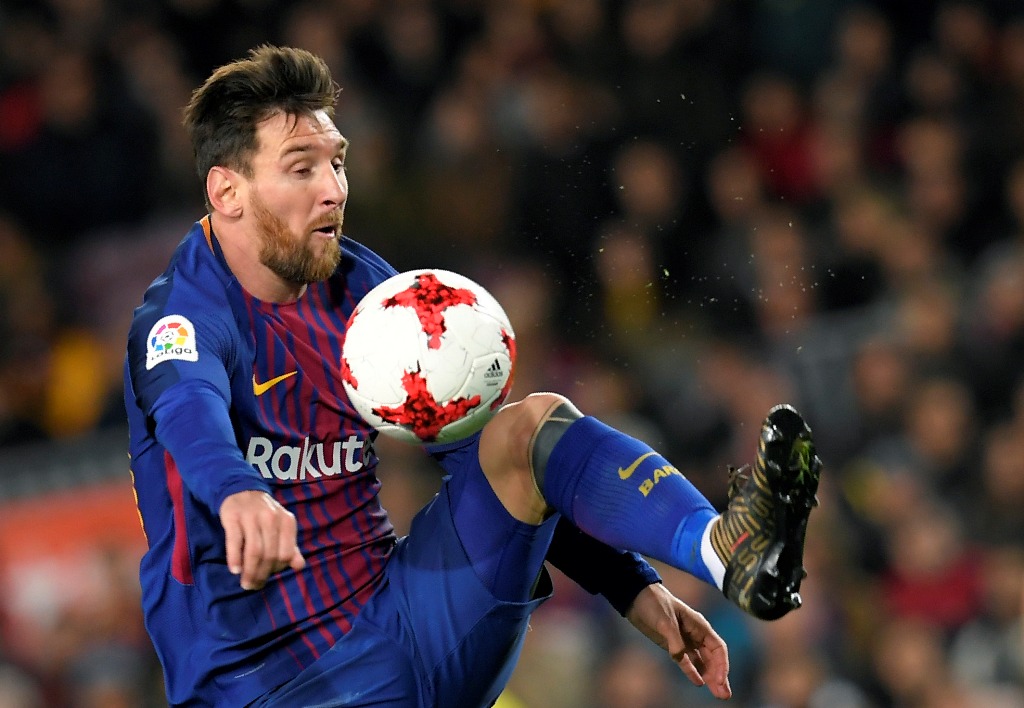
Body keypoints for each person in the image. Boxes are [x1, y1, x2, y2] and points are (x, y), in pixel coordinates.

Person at [123, 45, 822, 707]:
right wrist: (240, 492)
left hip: (413, 621)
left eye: (337, 164)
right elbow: (189, 409)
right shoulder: (183, 315)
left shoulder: (366, 292)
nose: (333, 191)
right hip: (273, 685)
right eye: (302, 168)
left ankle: (723, 551)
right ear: (228, 191)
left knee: (526, 429)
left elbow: (476, 448)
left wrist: (629, 585)